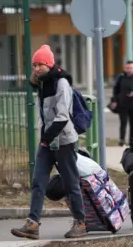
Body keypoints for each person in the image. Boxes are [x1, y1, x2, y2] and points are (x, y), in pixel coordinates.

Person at [11, 45, 86, 240]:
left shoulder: (61, 83)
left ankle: (80, 222)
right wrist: (45, 139)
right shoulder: (43, 83)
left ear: (49, 65)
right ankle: (33, 224)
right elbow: (34, 86)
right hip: (47, 142)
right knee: (38, 182)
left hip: (64, 140)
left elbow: (61, 118)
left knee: (71, 183)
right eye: (34, 65)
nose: (36, 68)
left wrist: (46, 137)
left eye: (40, 65)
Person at [110, 61, 133, 146]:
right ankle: (121, 140)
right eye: (127, 68)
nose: (129, 70)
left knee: (132, 123)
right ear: (125, 68)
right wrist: (114, 101)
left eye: (131, 68)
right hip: (122, 104)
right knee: (123, 122)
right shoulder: (121, 78)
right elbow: (115, 90)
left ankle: (132, 141)